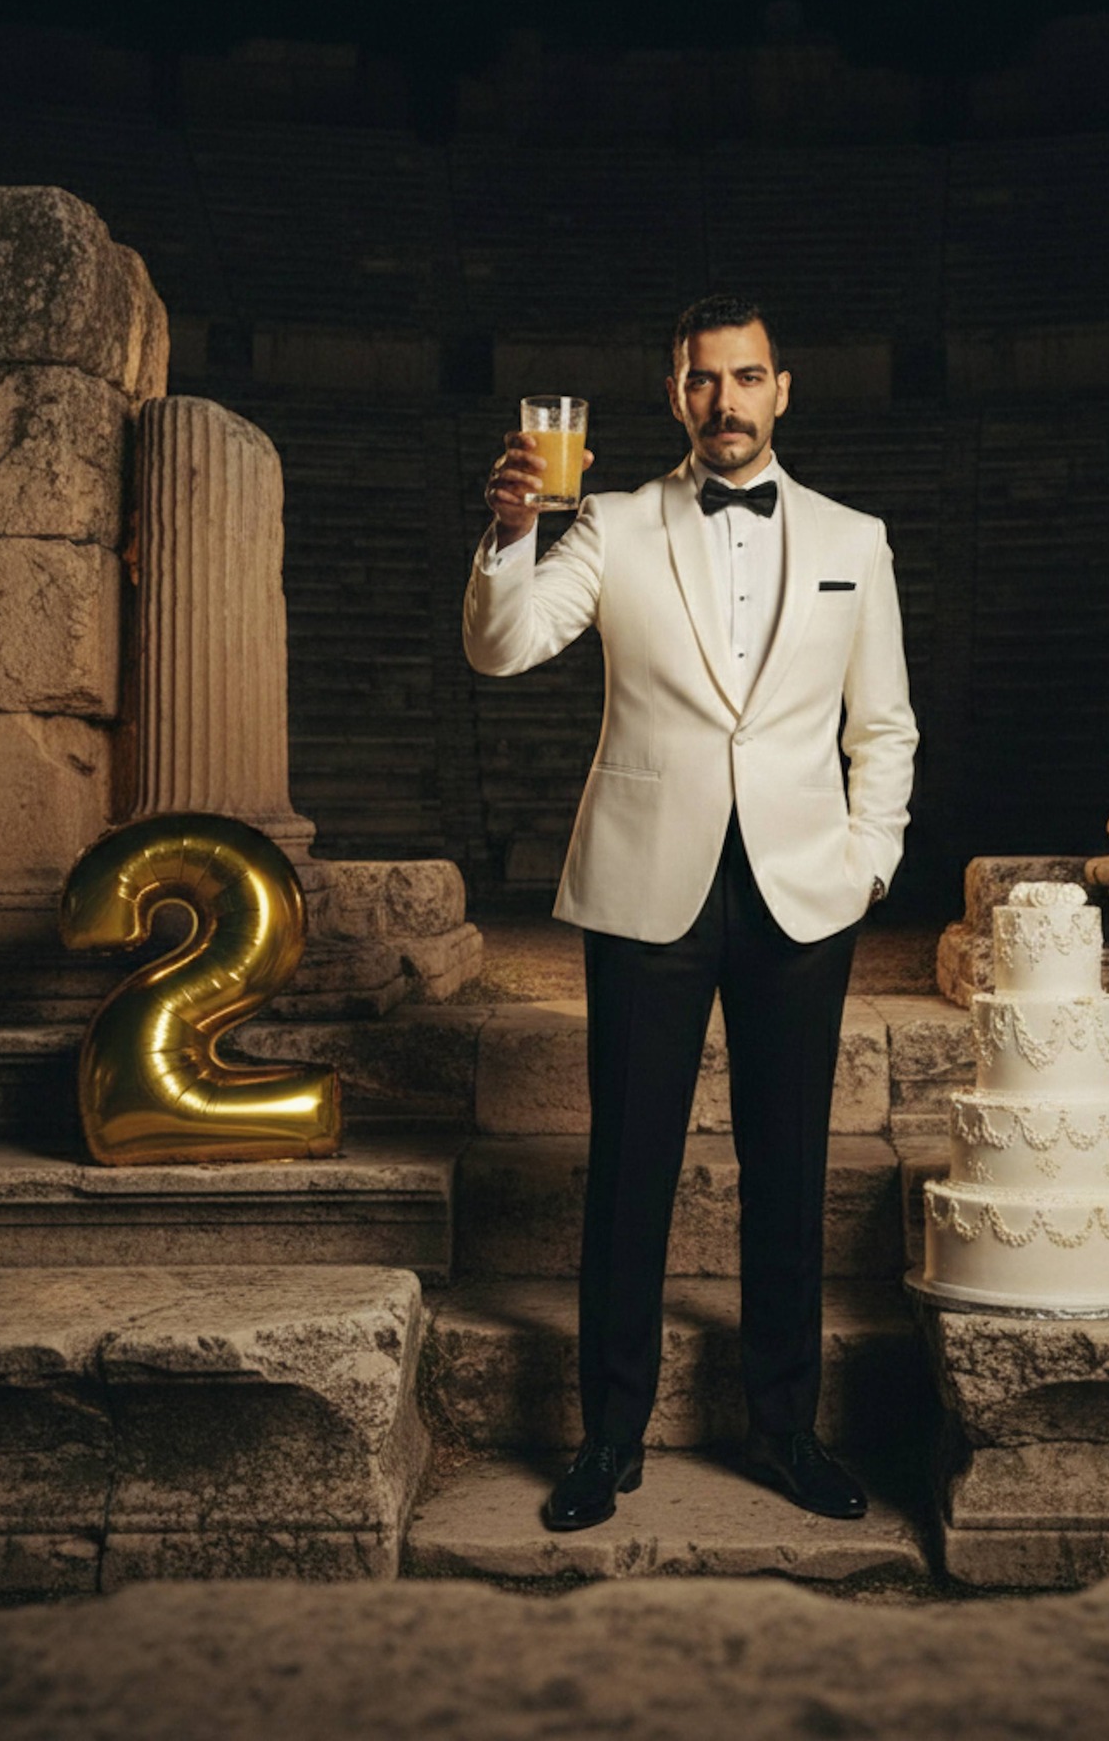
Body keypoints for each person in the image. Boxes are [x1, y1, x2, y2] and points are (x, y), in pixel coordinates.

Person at [462, 293, 918, 1531]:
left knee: (787, 1167)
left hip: (798, 888)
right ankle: (608, 1439)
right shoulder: (607, 521)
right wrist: (510, 529)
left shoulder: (853, 537)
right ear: (677, 394)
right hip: (646, 879)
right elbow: (503, 651)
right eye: (703, 380)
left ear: (784, 387)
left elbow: (883, 726)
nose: (725, 400)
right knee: (630, 1169)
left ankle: (786, 1429)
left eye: (747, 377)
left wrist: (865, 862)